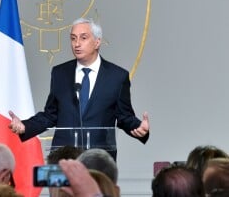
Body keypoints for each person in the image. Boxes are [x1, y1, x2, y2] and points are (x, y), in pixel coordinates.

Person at [9, 17, 150, 160]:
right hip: (64, 158)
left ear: (97, 41)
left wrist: (139, 128)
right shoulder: (60, 73)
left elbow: (124, 116)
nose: (77, 44)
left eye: (83, 38)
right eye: (73, 38)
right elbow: (50, 115)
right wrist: (25, 126)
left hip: (99, 159)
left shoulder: (117, 76)